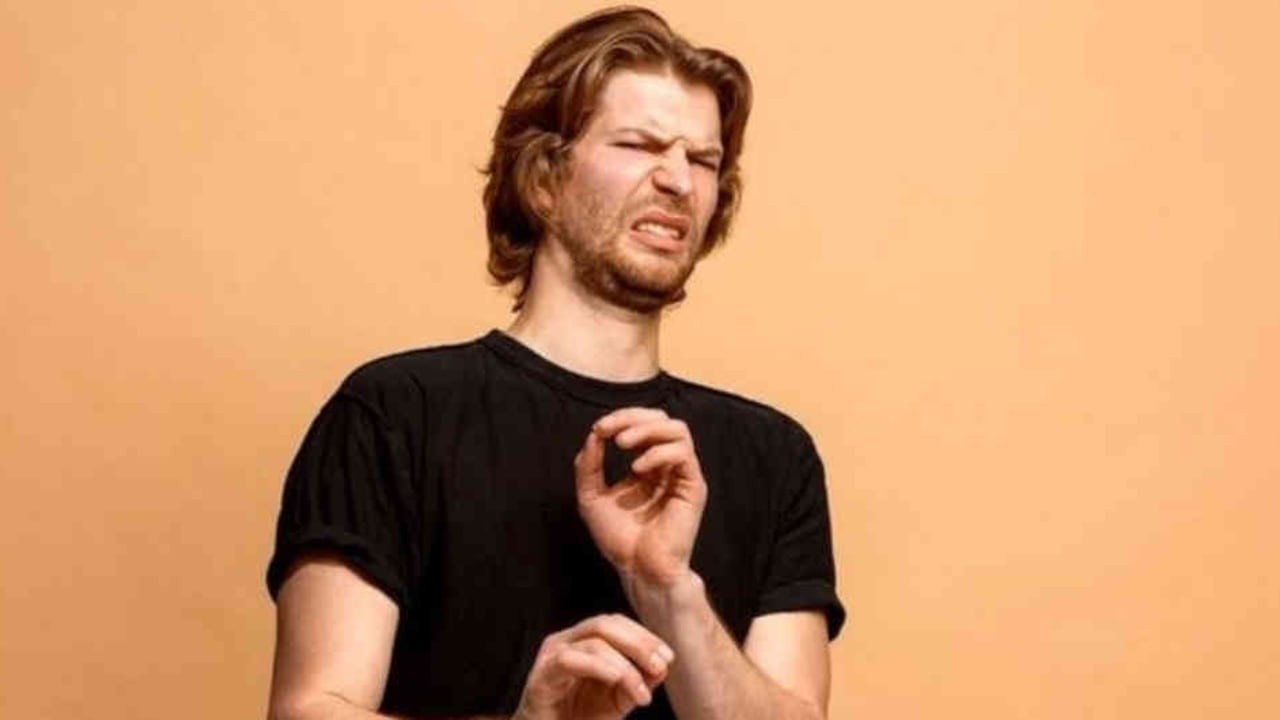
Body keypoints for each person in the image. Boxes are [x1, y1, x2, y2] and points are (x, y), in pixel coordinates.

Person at [265, 6, 844, 720]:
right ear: (543, 178)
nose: (678, 180)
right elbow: (309, 710)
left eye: (703, 160)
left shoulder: (775, 457)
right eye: (639, 145)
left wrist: (668, 590)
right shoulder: (394, 414)